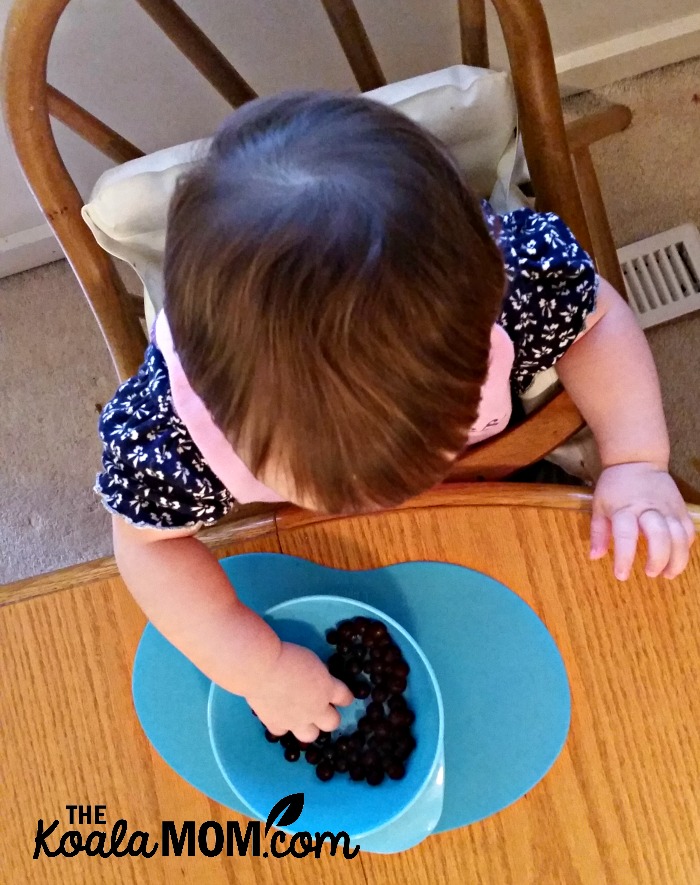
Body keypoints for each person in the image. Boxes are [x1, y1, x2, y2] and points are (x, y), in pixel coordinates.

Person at [95, 90, 694, 742]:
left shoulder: (510, 285)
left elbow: (596, 317)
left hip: (486, 478)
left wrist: (636, 460)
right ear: (217, 412)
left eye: (428, 448)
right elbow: (144, 546)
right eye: (330, 485)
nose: (383, 504)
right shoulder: (171, 433)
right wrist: (255, 665)